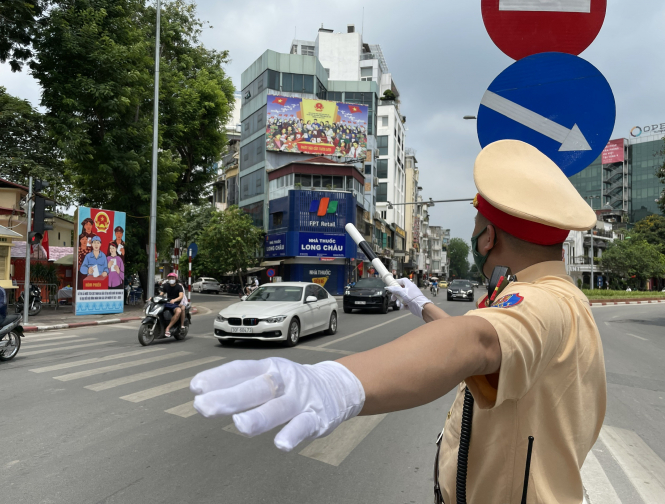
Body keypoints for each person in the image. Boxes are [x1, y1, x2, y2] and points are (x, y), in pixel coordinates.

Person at [188, 140, 607, 504]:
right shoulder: (559, 297)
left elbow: (476, 342)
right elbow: (484, 349)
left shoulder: (539, 302)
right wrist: (422, 305)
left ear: (488, 237)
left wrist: (340, 381)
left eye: (478, 227)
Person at [159, 272, 185, 337]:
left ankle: (168, 328)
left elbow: (181, 296)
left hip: (175, 304)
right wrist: (154, 298)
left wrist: (174, 300)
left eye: (172, 278)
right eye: (170, 278)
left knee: (179, 311)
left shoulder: (179, 287)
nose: (171, 279)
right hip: (166, 303)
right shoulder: (166, 286)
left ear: (175, 279)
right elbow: (161, 294)